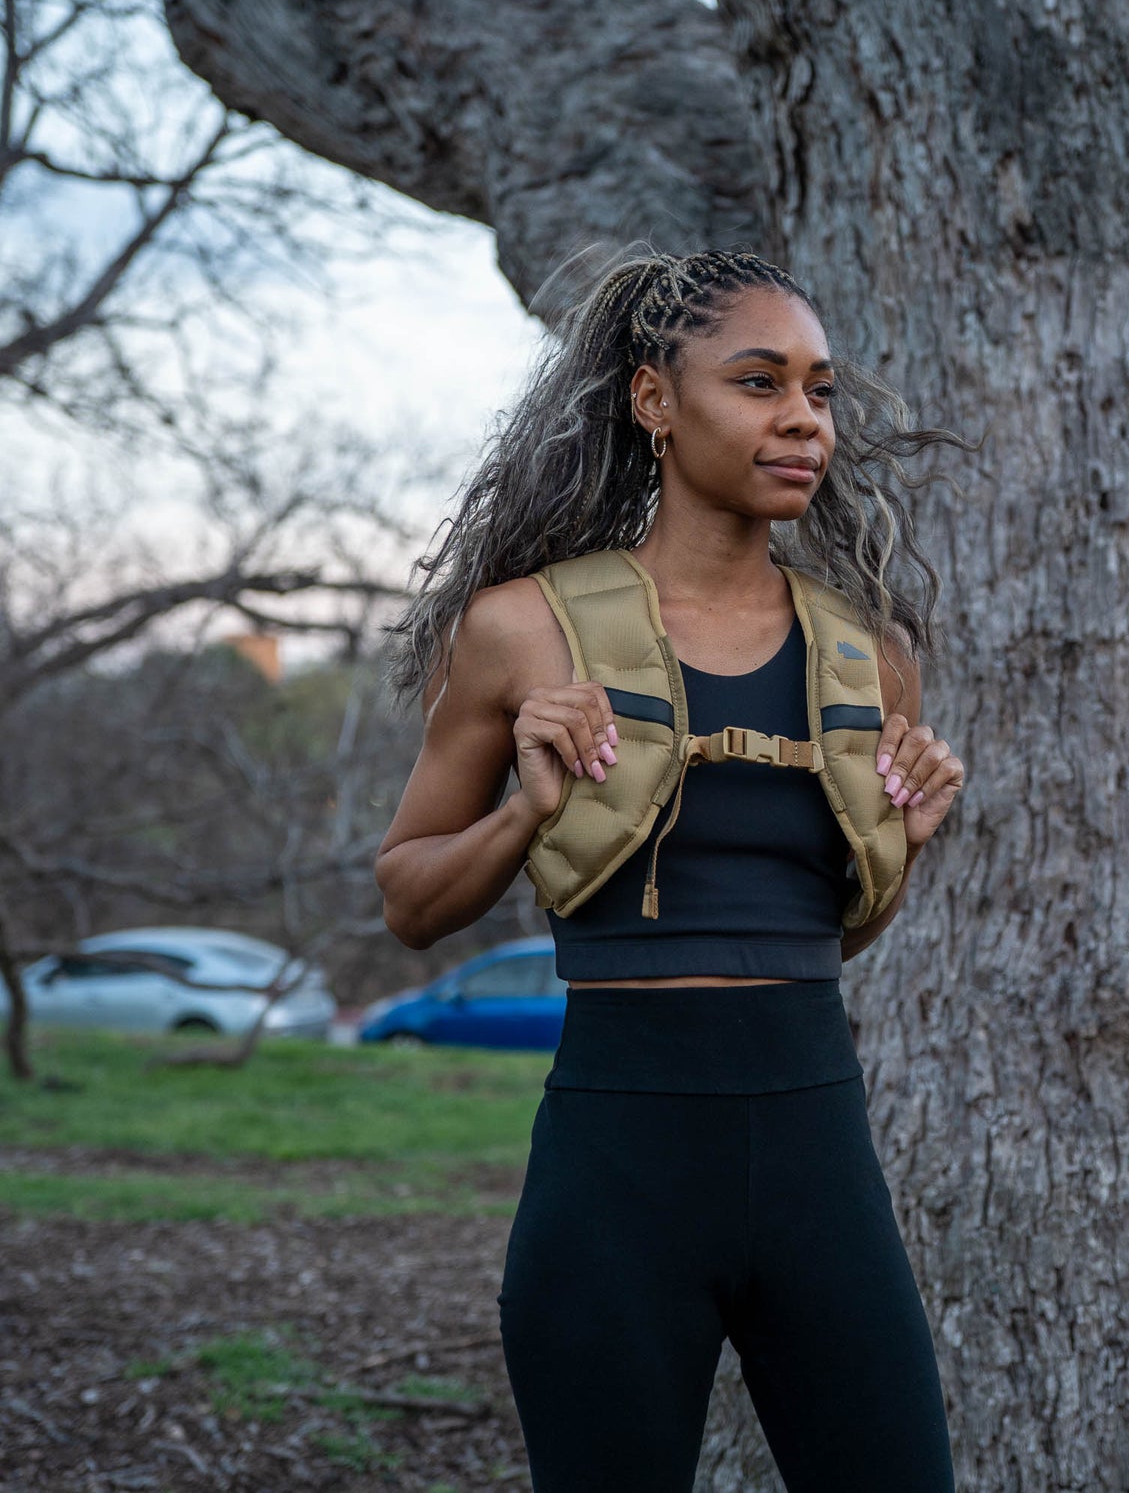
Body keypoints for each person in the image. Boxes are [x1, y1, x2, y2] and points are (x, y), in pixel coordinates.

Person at [375, 248, 968, 1493]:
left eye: (817, 389)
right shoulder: (524, 628)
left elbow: (821, 938)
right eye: (759, 383)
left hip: (818, 1152)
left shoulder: (866, 656)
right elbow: (409, 901)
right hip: (618, 1169)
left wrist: (899, 851)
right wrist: (524, 817)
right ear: (655, 401)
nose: (804, 417)